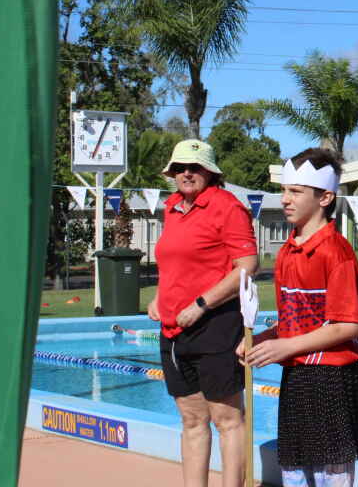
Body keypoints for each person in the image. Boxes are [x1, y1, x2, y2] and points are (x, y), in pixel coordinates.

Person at [240, 148, 358, 487]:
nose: (285, 199)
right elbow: (296, 319)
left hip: (331, 378)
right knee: (294, 472)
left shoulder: (337, 252)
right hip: (297, 375)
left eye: (296, 192)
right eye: (284, 190)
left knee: (332, 474)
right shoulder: (287, 251)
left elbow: (348, 325)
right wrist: (261, 340)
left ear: (325, 198)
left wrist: (286, 347)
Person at [147, 139, 258, 487]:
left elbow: (247, 266)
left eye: (194, 167)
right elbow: (174, 261)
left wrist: (201, 304)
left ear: (210, 172)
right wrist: (159, 297)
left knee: (227, 420)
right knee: (192, 421)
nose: (186, 173)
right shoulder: (172, 207)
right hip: (173, 331)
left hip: (215, 326)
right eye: (179, 167)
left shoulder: (227, 207)